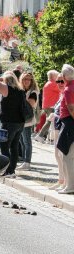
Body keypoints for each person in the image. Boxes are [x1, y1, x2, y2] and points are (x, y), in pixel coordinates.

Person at [0, 71, 25, 178]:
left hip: (9, 123)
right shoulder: (20, 91)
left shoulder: (7, 89)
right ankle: (12, 171)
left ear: (6, 81)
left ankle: (7, 170)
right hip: (19, 122)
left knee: (4, 146)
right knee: (14, 147)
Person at [56, 64, 74, 194]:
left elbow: (71, 108)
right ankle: (67, 184)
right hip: (68, 122)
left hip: (69, 122)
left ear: (63, 76)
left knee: (66, 155)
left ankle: (70, 186)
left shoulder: (68, 89)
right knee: (66, 154)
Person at [16, 72, 39, 171]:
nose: (27, 81)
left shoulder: (33, 92)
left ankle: (27, 162)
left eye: (29, 79)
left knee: (27, 141)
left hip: (27, 120)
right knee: (21, 141)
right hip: (20, 120)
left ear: (32, 81)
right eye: (25, 79)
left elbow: (30, 105)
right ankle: (25, 161)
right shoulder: (21, 90)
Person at [48, 73, 66, 191]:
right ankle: (61, 180)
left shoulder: (68, 93)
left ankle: (65, 182)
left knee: (62, 155)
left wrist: (55, 115)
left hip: (62, 127)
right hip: (56, 126)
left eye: (62, 81)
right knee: (57, 154)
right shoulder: (61, 94)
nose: (59, 84)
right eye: (58, 81)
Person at [35, 70, 60, 143]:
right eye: (57, 76)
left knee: (48, 121)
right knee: (49, 121)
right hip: (51, 106)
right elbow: (62, 88)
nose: (58, 77)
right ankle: (40, 135)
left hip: (47, 105)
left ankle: (43, 137)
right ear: (53, 76)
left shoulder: (48, 83)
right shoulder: (53, 83)